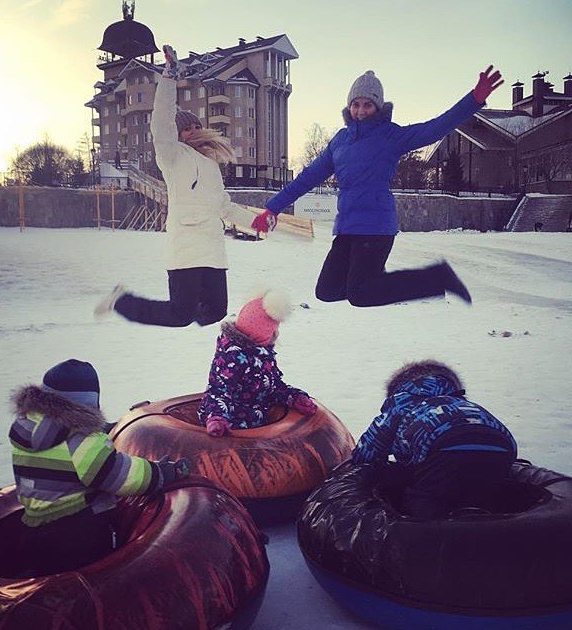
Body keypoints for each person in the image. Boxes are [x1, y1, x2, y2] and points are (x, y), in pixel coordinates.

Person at [252, 66, 505, 307]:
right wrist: (273, 208)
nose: (361, 111)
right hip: (347, 228)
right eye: (356, 104)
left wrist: (474, 99)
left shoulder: (390, 136)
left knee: (360, 295)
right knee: (326, 291)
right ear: (349, 106)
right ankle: (376, 281)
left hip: (375, 228)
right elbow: (308, 177)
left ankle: (437, 278)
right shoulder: (340, 141)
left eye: (367, 105)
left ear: (378, 107)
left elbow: (435, 127)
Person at [94, 44, 251, 327]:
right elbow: (162, 122)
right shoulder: (172, 155)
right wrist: (169, 78)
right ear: (177, 134)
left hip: (213, 249)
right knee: (181, 316)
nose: (191, 132)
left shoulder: (211, 163)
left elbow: (224, 206)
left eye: (194, 127)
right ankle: (122, 302)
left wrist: (259, 222)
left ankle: (195, 316)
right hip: (186, 248)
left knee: (215, 312)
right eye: (185, 129)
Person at [9, 359, 190, 575]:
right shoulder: (81, 437)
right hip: (76, 531)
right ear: (89, 402)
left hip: (34, 524)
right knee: (95, 575)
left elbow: (64, 448)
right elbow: (114, 475)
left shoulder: (29, 427)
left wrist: (102, 430)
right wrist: (159, 473)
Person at [351, 360, 517, 519]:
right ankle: (495, 528)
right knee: (485, 495)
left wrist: (360, 473)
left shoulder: (401, 402)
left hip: (443, 444)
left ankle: (425, 537)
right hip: (501, 442)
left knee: (426, 500)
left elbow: (370, 447)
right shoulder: (459, 402)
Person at [198, 289, 317, 436]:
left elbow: (272, 387)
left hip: (256, 419)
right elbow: (218, 391)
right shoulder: (232, 358)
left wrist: (293, 397)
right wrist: (217, 419)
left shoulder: (262, 353)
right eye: (274, 329)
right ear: (262, 332)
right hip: (233, 426)